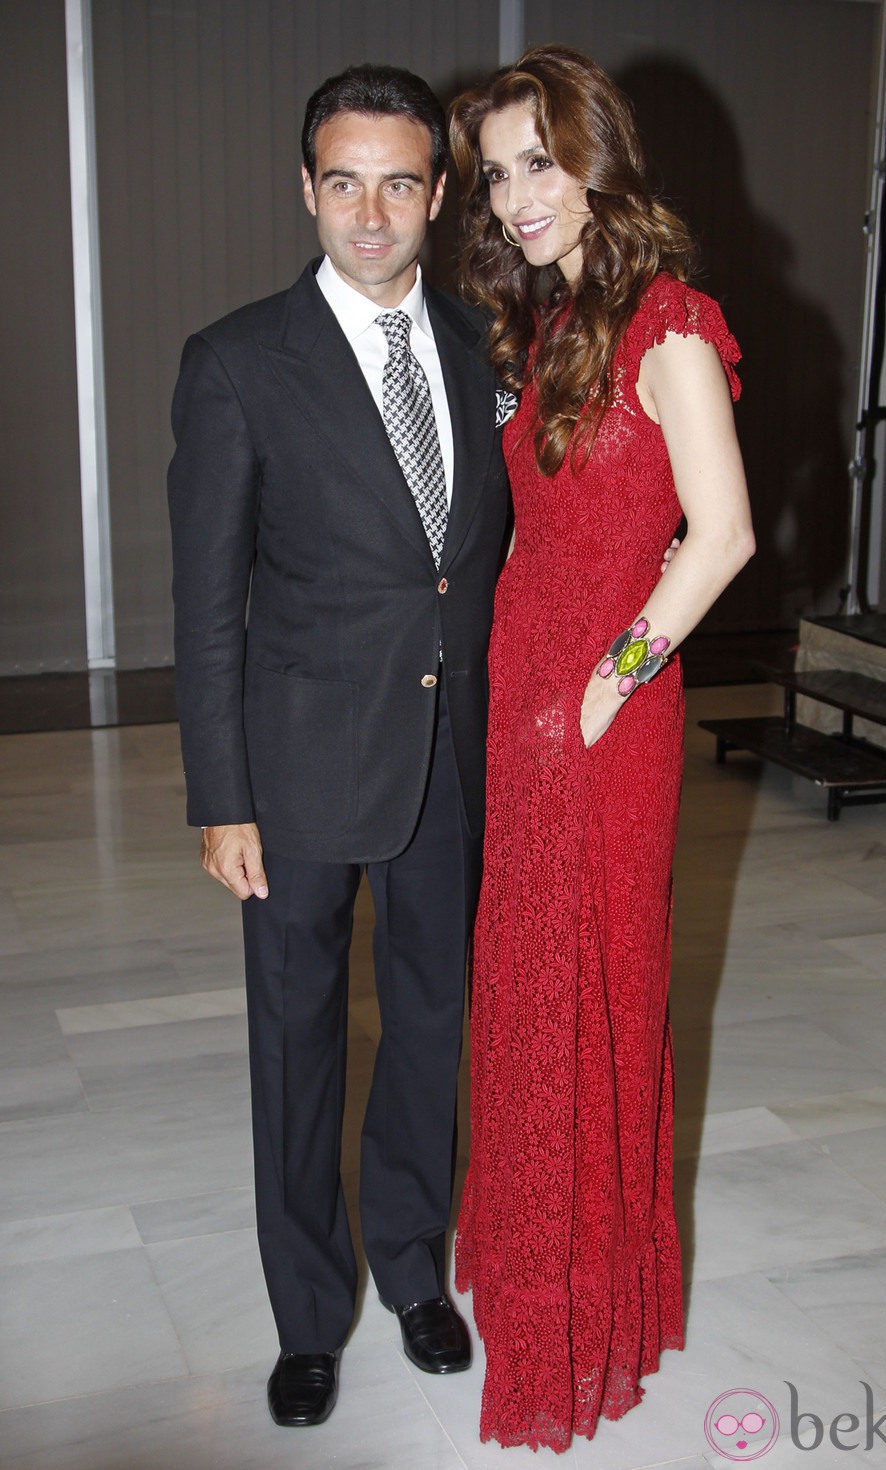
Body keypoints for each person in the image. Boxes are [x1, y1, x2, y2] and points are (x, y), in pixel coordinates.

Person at [167, 65, 511, 1429]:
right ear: (307, 190)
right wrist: (221, 794)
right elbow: (207, 603)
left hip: (450, 754)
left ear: (437, 194)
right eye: (343, 182)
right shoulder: (238, 362)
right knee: (299, 1039)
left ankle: (416, 1267)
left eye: (399, 183)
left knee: (431, 1021)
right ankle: (311, 1311)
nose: (371, 214)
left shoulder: (485, 342)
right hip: (300, 769)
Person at [448, 46, 755, 1452]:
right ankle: (529, 1268)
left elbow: (725, 532)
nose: (517, 194)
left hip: (602, 712)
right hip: (528, 696)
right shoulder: (555, 318)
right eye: (500, 169)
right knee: (528, 975)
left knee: (596, 988)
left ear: (598, 157)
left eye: (539, 160)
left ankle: (591, 1305)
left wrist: (607, 687)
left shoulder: (669, 321)